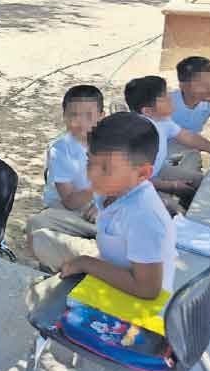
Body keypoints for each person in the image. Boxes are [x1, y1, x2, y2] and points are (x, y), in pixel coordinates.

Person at [45, 113, 178, 298]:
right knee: (41, 240)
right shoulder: (113, 191)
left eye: (106, 169)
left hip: (134, 306)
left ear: (143, 173)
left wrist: (86, 263)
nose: (92, 174)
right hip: (111, 264)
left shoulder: (144, 216)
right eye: (90, 162)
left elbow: (148, 290)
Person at [125, 76, 210, 211]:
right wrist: (171, 186)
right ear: (147, 111)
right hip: (138, 187)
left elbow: (190, 138)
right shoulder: (140, 137)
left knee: (204, 182)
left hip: (157, 171)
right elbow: (132, 180)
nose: (171, 98)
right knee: (174, 211)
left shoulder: (162, 121)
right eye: (164, 97)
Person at [27, 85, 103, 270]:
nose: (79, 122)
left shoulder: (110, 141)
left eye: (88, 115)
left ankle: (99, 259)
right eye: (73, 115)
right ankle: (59, 269)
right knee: (37, 225)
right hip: (67, 208)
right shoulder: (60, 150)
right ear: (64, 116)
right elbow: (70, 202)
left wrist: (103, 204)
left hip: (102, 205)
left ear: (101, 115)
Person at [172, 56, 210, 144]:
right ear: (182, 85)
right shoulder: (168, 102)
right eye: (202, 85)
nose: (209, 89)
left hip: (189, 150)